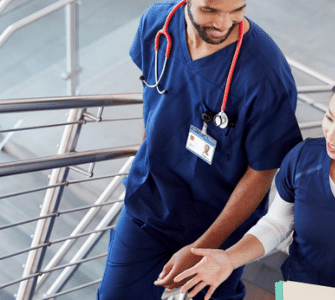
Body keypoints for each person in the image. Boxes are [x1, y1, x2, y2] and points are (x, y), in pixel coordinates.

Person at [96, 0, 302, 299]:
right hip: (150, 202)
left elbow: (261, 173)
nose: (223, 23)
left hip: (219, 222)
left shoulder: (265, 75)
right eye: (210, 10)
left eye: (237, 11)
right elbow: (153, 93)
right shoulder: (158, 23)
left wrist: (202, 247)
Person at [174, 69, 335, 300]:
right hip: (297, 290)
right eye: (329, 117)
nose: (331, 135)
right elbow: (277, 224)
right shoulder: (302, 159)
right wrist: (230, 259)